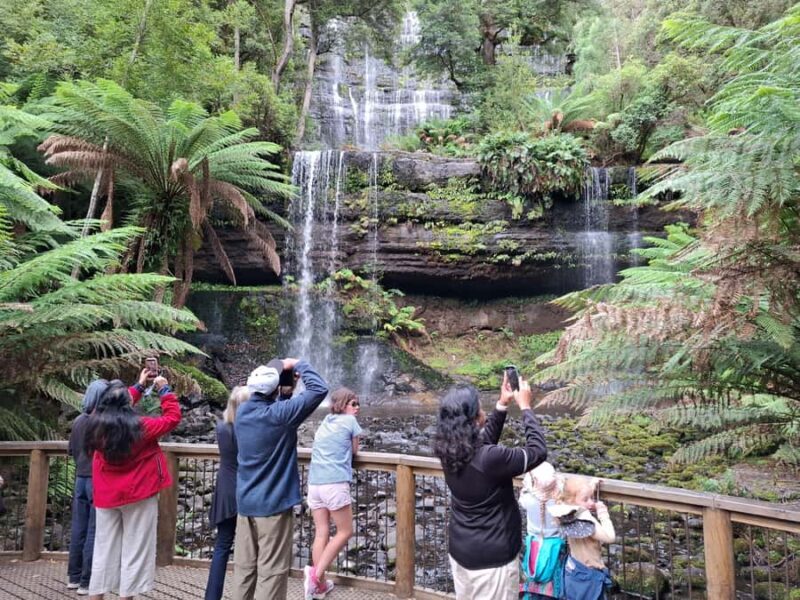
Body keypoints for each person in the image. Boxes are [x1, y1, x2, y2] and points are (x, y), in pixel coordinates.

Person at [433, 374, 547, 600]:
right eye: (480, 407)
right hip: (493, 562)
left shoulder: (448, 450)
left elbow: (483, 446)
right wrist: (525, 407)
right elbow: (538, 451)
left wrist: (502, 404)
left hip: (461, 551)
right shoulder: (491, 459)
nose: (483, 410)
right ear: (474, 419)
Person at [232, 358, 329, 600]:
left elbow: (272, 414)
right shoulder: (281, 416)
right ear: (274, 390)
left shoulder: (242, 412)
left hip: (245, 505)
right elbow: (319, 389)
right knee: (272, 573)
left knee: (244, 570)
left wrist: (284, 394)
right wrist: (300, 363)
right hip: (272, 507)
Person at [85, 371, 181, 600]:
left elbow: (115, 404)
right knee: (135, 550)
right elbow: (172, 418)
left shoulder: (96, 425)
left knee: (103, 549)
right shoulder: (142, 426)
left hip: (106, 494)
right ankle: (126, 596)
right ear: (126, 403)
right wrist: (164, 389)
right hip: (139, 493)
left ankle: (96, 596)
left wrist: (138, 386)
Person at [303, 387, 363, 599]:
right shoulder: (350, 421)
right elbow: (355, 451)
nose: (357, 408)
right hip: (334, 483)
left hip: (315, 483)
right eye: (353, 403)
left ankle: (319, 586)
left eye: (358, 404)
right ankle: (314, 577)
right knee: (345, 531)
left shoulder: (326, 421)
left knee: (321, 532)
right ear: (343, 404)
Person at [204, 386, 250, 600]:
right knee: (248, 549)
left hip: (225, 489)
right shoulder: (250, 431)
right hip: (246, 489)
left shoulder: (221, 428)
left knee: (222, 545)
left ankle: (211, 596)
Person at [67, 379, 109, 595]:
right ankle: (87, 580)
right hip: (96, 480)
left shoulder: (78, 421)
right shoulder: (101, 423)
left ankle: (73, 577)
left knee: (78, 528)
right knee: (94, 530)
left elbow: (71, 450)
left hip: (80, 479)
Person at [550, 477, 615, 600]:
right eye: (586, 499)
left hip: (573, 569)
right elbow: (610, 537)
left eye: (592, 498)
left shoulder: (564, 511)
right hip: (589, 575)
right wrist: (603, 513)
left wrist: (591, 486)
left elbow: (576, 495)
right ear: (572, 500)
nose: (591, 503)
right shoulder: (586, 520)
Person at [518, 461, 567, 599]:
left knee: (533, 577)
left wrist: (527, 486)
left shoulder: (527, 499)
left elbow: (523, 496)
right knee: (555, 581)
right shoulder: (558, 501)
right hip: (556, 546)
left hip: (534, 544)